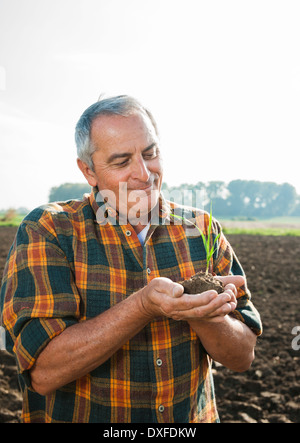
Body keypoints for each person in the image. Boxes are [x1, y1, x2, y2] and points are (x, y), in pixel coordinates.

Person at [0, 95, 262, 423]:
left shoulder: (202, 229)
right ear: (89, 171)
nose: (144, 173)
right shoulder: (50, 229)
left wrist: (205, 314)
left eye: (150, 154)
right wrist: (143, 307)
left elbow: (242, 357)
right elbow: (44, 372)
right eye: (122, 161)